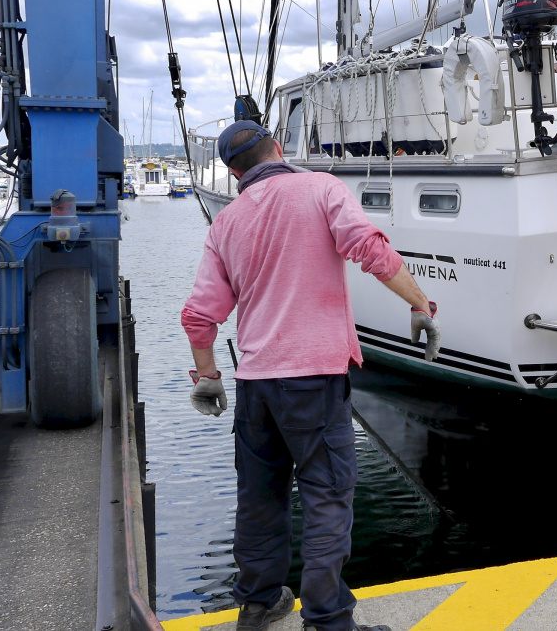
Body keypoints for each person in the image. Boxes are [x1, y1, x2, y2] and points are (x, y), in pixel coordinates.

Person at [181, 120, 441, 631]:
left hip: (254, 384)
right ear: (278, 149)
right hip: (313, 380)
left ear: (233, 172)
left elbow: (199, 315)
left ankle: (257, 605)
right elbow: (370, 249)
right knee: (326, 496)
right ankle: (328, 620)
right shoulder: (321, 187)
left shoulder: (225, 223)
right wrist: (420, 305)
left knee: (259, 496)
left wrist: (207, 376)